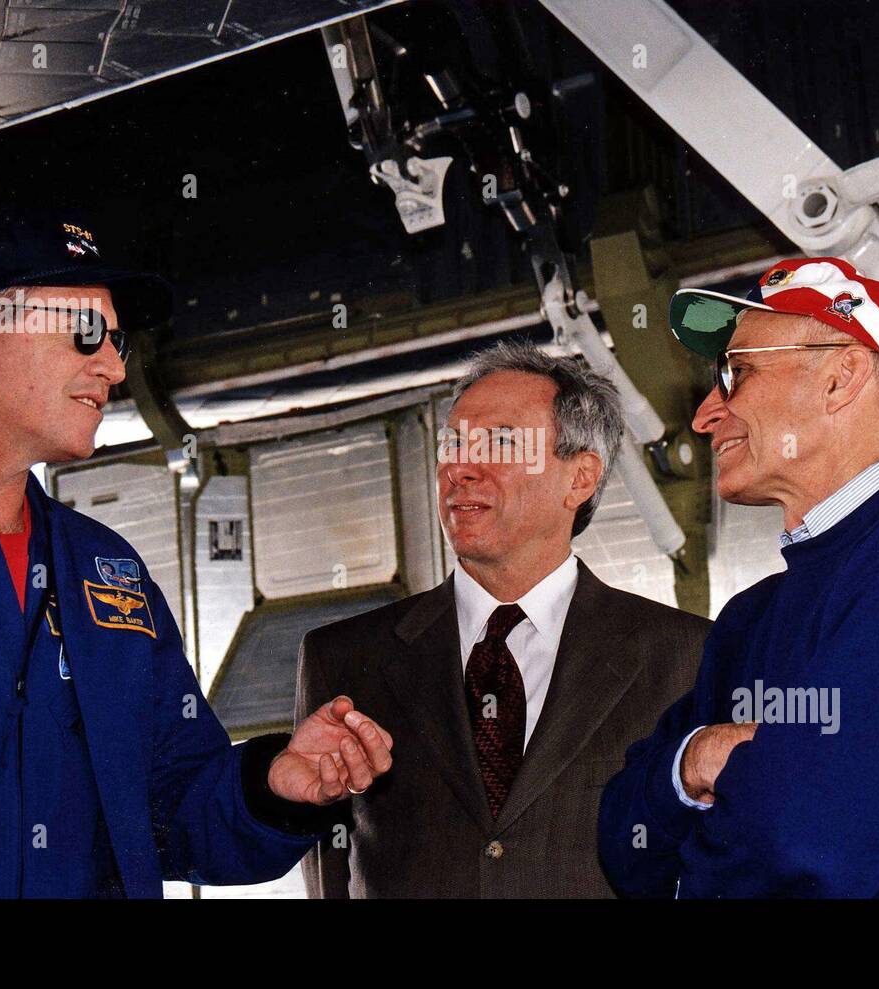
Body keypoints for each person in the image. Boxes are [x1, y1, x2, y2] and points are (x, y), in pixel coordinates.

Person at [0, 209, 392, 897]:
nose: (110, 366)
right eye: (85, 333)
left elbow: (172, 804)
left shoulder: (108, 574)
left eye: (118, 343)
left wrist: (274, 784)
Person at [599, 257, 879, 898]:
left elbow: (806, 838)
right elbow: (624, 846)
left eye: (736, 372)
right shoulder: (747, 618)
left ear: (840, 379)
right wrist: (698, 757)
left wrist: (704, 820)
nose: (704, 416)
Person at [297, 342, 709, 897]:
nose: (461, 469)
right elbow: (329, 871)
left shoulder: (685, 656)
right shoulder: (344, 659)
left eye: (501, 442)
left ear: (580, 478)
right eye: (454, 444)